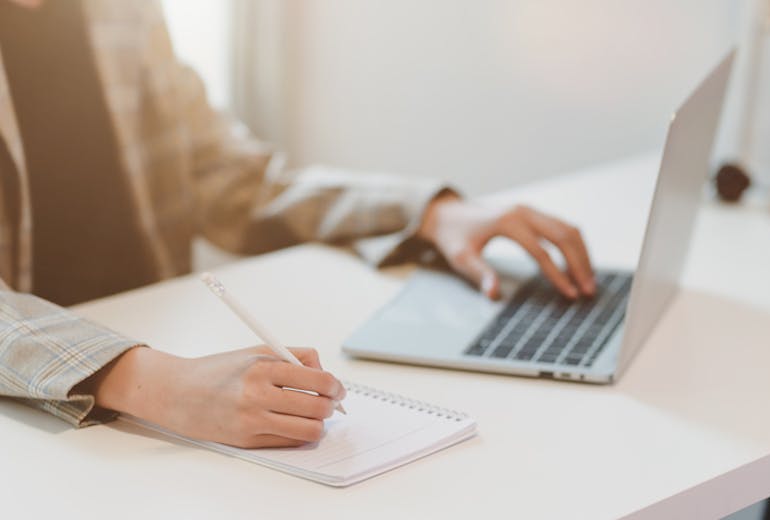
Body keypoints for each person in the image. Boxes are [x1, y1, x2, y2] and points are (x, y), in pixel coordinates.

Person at [0, 0, 595, 448]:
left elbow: (234, 180)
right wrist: (158, 383)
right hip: (42, 422)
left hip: (162, 390)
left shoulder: (120, 13)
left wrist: (430, 212)